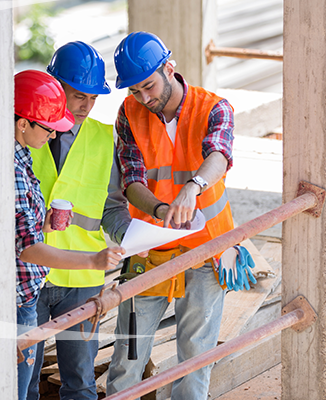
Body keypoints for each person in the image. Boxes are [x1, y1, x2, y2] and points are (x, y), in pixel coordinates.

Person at [105, 32, 236, 400]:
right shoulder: (129, 113)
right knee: (128, 354)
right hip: (148, 248)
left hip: (206, 249)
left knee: (195, 357)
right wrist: (162, 210)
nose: (143, 98)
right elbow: (131, 181)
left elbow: (220, 156)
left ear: (169, 68)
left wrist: (193, 188)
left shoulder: (214, 108)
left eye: (148, 86)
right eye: (134, 91)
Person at [26, 41, 133, 400]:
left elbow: (112, 206)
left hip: (82, 279)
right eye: (78, 96)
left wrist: (133, 236)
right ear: (55, 87)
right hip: (31, 275)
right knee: (23, 379)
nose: (86, 106)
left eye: (93, 98)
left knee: (80, 380)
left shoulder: (105, 139)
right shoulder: (26, 133)